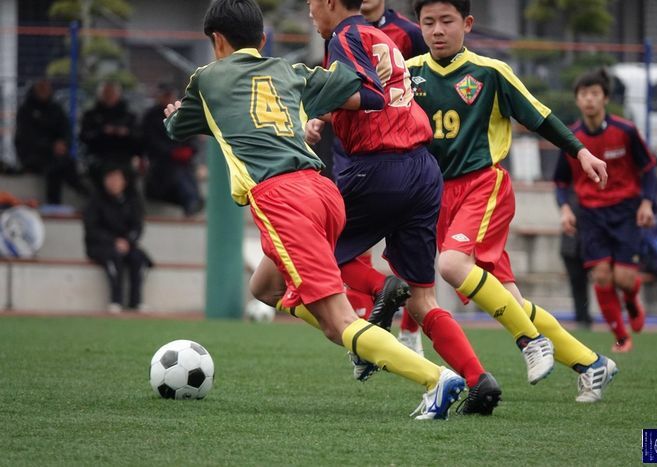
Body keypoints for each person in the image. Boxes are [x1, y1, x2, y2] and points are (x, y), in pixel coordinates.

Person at [164, 0, 467, 420]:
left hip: (282, 199)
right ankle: (361, 334)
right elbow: (348, 84)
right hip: (323, 190)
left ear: (217, 41)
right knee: (265, 287)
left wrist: (172, 116)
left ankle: (435, 378)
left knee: (337, 321)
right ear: (263, 41)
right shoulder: (289, 71)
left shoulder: (206, 79)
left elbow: (179, 128)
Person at [404, 0, 617, 402]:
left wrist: (581, 152)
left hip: (484, 185)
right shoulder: (409, 74)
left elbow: (538, 116)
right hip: (438, 198)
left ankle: (530, 342)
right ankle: (593, 364)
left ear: (467, 24)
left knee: (451, 265)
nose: (437, 30)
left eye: (447, 21)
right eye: (428, 22)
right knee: (511, 299)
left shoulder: (490, 72)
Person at [304, 0, 429, 357]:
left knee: (318, 248)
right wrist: (324, 114)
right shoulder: (375, 34)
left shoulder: (348, 36)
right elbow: (386, 94)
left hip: (379, 161)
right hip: (416, 161)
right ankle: (476, 378)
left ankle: (377, 304)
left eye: (311, 2)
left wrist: (313, 96)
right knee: (425, 293)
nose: (309, 11)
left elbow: (373, 96)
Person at [554, 68, 657, 353]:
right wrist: (565, 208)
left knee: (623, 279)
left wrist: (648, 202)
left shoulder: (625, 131)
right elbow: (561, 180)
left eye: (595, 94)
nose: (589, 99)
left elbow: (648, 168)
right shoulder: (570, 138)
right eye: (583, 94)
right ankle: (621, 337)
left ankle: (632, 302)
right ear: (577, 100)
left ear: (605, 98)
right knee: (601, 276)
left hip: (625, 211)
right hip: (590, 213)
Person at [83, 165, 152, 312]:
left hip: (127, 244)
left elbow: (137, 226)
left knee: (139, 258)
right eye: (110, 178)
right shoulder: (96, 200)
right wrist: (113, 241)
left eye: (117, 178)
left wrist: (127, 241)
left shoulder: (131, 200)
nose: (113, 182)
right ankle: (116, 300)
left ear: (124, 181)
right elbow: (92, 228)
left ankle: (136, 301)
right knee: (113, 257)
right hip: (101, 245)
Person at [14, 79, 89, 205]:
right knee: (55, 167)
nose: (44, 92)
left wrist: (64, 143)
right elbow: (27, 138)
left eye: (47, 89)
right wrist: (50, 146)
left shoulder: (56, 109)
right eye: (41, 89)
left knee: (66, 163)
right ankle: (56, 202)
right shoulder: (25, 110)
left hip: (55, 154)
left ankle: (81, 192)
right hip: (32, 155)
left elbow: (66, 131)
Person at [142, 83, 204, 217]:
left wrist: (188, 151)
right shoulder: (151, 116)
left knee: (186, 173)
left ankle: (194, 201)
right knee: (176, 173)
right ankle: (191, 202)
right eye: (165, 95)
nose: (168, 98)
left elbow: (192, 139)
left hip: (183, 164)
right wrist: (171, 152)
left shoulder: (182, 114)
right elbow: (151, 142)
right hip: (160, 167)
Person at [80, 81, 139, 186]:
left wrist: (126, 133)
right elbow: (84, 137)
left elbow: (139, 138)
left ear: (118, 95)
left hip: (123, 156)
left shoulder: (129, 116)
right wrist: (102, 132)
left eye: (112, 93)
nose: (109, 96)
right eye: (106, 93)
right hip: (99, 155)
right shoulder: (91, 115)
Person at [559, 194, 592, 329]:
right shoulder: (569, 194)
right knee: (576, 281)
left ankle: (585, 315)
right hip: (571, 245)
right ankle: (581, 316)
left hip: (589, 243)